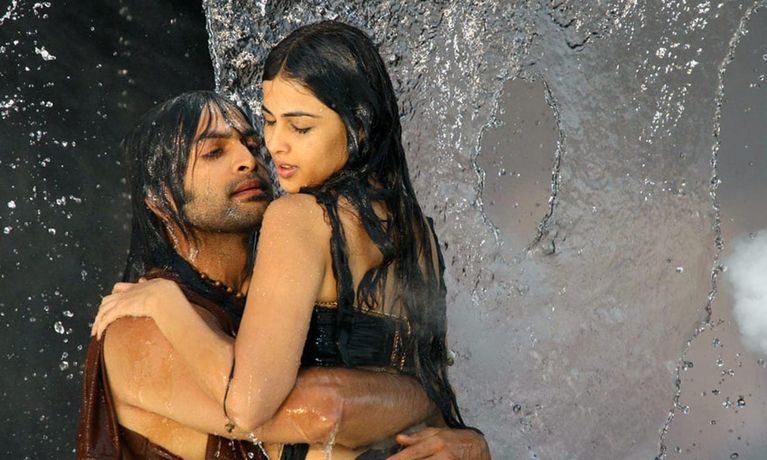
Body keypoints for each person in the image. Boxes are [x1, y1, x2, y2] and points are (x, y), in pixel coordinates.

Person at [93, 21, 490, 459]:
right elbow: (324, 409)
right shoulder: (138, 329)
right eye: (215, 152)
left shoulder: (297, 238)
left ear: (358, 125)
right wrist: (427, 399)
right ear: (161, 199)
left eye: (253, 141)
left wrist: (465, 439)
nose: (260, 154)